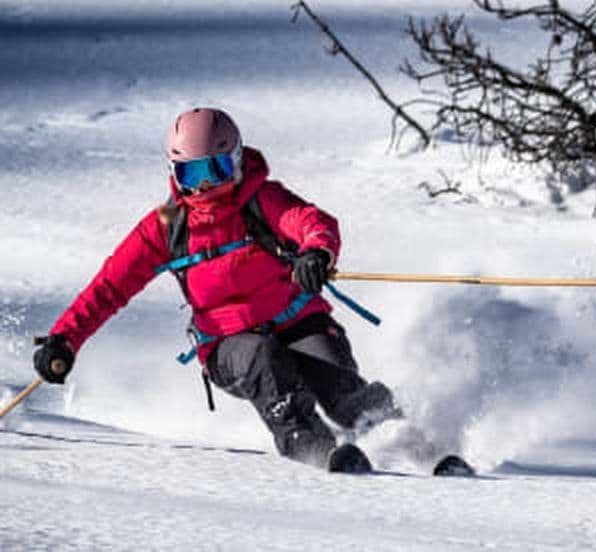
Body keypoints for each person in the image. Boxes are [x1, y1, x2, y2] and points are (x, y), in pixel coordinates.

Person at [32, 107, 399, 468]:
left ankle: (412, 445)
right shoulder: (166, 227)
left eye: (216, 169)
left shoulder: (261, 199)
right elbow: (109, 288)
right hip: (228, 345)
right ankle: (318, 451)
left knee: (340, 389)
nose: (205, 186)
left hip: (297, 319)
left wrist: (316, 253)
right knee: (264, 360)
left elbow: (310, 222)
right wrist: (65, 339)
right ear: (174, 172)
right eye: (191, 173)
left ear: (236, 160)